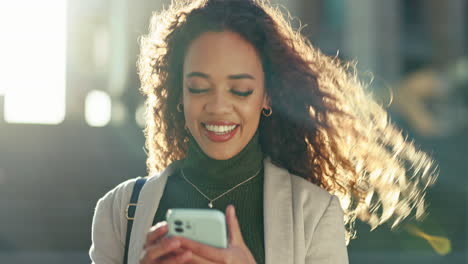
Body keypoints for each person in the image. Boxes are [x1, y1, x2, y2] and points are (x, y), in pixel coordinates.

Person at [89, 0, 437, 263]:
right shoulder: (120, 210)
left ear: (267, 95)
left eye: (240, 90)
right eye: (198, 88)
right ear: (178, 94)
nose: (218, 107)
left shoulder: (314, 213)